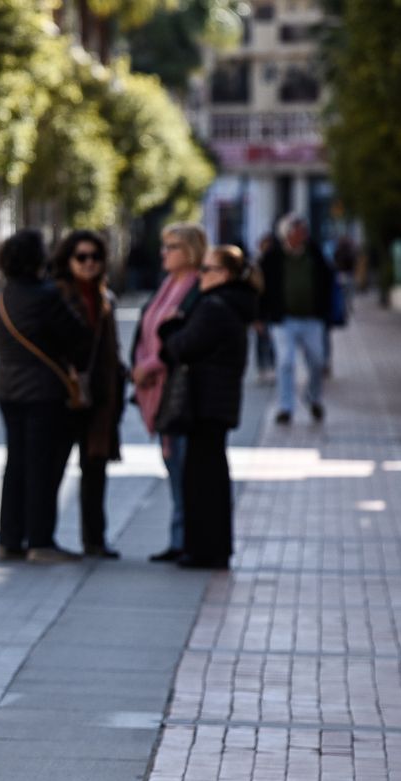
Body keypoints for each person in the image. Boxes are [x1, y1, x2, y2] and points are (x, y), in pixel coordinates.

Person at [0, 229, 93, 564]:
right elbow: (79, 338)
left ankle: (9, 539)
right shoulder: (47, 295)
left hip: (8, 388)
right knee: (43, 467)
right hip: (44, 391)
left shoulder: (3, 296)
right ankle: (41, 541)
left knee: (16, 464)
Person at [158, 245, 260, 570]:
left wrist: (170, 329)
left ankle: (203, 549)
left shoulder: (215, 307)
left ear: (225, 275)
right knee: (209, 476)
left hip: (204, 404)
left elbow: (183, 346)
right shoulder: (230, 304)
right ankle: (208, 548)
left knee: (202, 480)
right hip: (216, 403)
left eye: (207, 270)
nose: (200, 276)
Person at [130, 222, 205, 563]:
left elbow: (183, 338)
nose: (164, 253)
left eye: (172, 246)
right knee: (172, 463)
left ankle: (187, 539)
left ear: (190, 251)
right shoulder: (166, 287)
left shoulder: (195, 291)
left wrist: (152, 365)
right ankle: (179, 538)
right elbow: (148, 330)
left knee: (183, 466)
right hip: (157, 389)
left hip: (178, 390)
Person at [51, 230, 123, 559]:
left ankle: (95, 540)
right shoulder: (58, 294)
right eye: (81, 257)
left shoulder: (105, 297)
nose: (89, 263)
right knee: (52, 469)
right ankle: (42, 538)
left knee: (95, 467)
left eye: (95, 257)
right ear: (68, 260)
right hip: (65, 394)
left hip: (99, 395)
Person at [260, 213, 335, 424]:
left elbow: (328, 281)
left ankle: (314, 398)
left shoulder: (315, 253)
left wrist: (325, 312)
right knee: (285, 362)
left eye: (303, 231)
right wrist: (260, 315)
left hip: (312, 319)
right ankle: (286, 406)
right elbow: (261, 287)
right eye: (296, 231)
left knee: (317, 361)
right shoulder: (273, 256)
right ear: (286, 234)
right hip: (283, 320)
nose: (301, 235)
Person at [250, 233, 276, 384]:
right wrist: (255, 317)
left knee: (272, 341)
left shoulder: (276, 264)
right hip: (260, 310)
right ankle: (262, 369)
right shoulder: (257, 264)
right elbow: (254, 292)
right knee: (261, 341)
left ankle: (271, 368)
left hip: (272, 310)